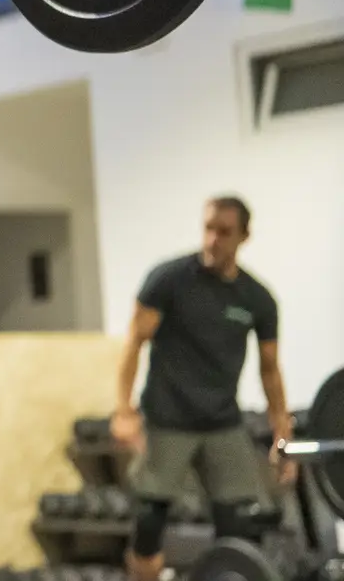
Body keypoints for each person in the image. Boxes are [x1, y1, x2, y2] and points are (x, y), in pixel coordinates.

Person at [112, 196, 294, 581]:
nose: (213, 239)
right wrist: (123, 410)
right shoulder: (169, 280)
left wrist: (282, 429)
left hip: (221, 422)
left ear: (244, 236)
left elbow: (270, 370)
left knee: (237, 527)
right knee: (148, 523)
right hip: (168, 418)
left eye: (224, 232)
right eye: (209, 228)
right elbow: (134, 343)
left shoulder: (256, 299)